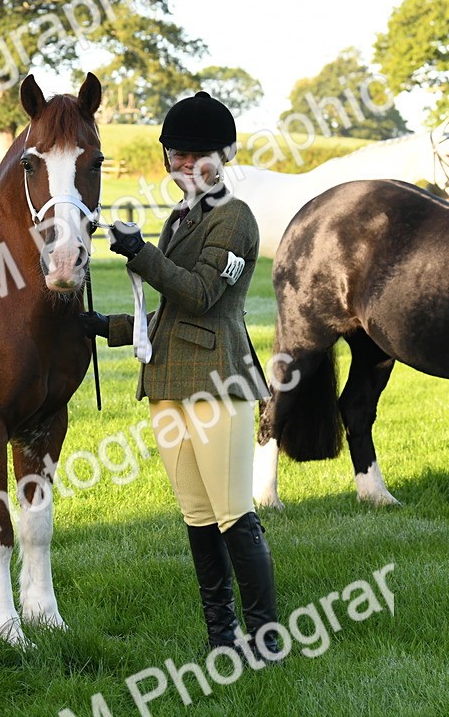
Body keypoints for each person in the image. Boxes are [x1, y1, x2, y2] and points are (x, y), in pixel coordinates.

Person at [78, 92, 279, 658]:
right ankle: (222, 637)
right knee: (197, 516)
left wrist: (139, 252)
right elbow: (165, 315)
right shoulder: (181, 218)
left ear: (226, 155)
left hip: (219, 383)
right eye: (176, 155)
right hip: (165, 386)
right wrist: (103, 325)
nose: (184, 166)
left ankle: (266, 640)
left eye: (196, 156)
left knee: (234, 514)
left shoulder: (235, 219)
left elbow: (200, 294)